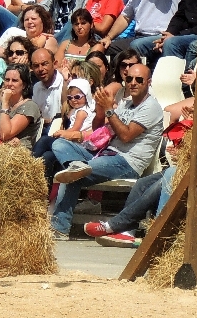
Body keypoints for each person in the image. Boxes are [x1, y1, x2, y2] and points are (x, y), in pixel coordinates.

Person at [49, 63, 163, 239]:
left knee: (72, 175)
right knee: (59, 144)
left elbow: (126, 136)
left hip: (127, 161)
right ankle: (75, 165)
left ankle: (59, 228)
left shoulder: (151, 107)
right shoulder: (126, 104)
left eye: (138, 79)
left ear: (148, 82)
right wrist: (101, 110)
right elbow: (99, 129)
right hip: (104, 154)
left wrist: (110, 109)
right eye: (129, 78)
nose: (133, 82)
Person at [0, 63, 40, 148]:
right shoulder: (2, 105)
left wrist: (5, 103)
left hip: (16, 154)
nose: (9, 84)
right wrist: (1, 138)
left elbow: (5, 134)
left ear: (24, 85)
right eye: (7, 80)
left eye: (14, 80)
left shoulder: (29, 106)